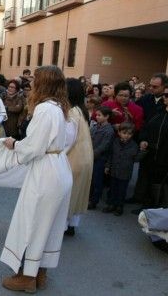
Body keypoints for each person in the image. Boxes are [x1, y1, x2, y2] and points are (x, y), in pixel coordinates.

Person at [1, 65, 73, 293]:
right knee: (49, 224)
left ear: (43, 84)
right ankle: (40, 272)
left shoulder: (44, 109)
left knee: (33, 221)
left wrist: (14, 144)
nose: (31, 83)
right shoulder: (60, 108)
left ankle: (27, 277)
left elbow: (33, 147)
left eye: (35, 80)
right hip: (60, 167)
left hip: (46, 171)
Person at [64, 78, 93, 236]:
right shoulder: (81, 110)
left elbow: (67, 141)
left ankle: (64, 227)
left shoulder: (70, 112)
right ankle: (71, 225)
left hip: (73, 159)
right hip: (84, 158)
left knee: (68, 195)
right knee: (77, 193)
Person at [103, 122, 142, 216]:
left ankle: (119, 207)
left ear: (132, 134)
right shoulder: (115, 142)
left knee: (122, 191)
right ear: (119, 132)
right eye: (124, 133)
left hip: (125, 173)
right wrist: (108, 166)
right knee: (112, 189)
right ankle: (111, 204)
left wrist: (142, 151)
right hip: (114, 171)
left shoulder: (134, 145)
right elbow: (111, 155)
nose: (127, 136)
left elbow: (136, 158)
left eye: (129, 134)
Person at [88, 106, 115, 210]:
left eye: (99, 115)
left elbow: (104, 146)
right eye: (97, 115)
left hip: (100, 159)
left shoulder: (109, 130)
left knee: (97, 181)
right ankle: (89, 198)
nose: (97, 117)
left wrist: (92, 154)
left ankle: (94, 201)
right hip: (91, 156)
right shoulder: (95, 127)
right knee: (91, 180)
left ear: (107, 116)